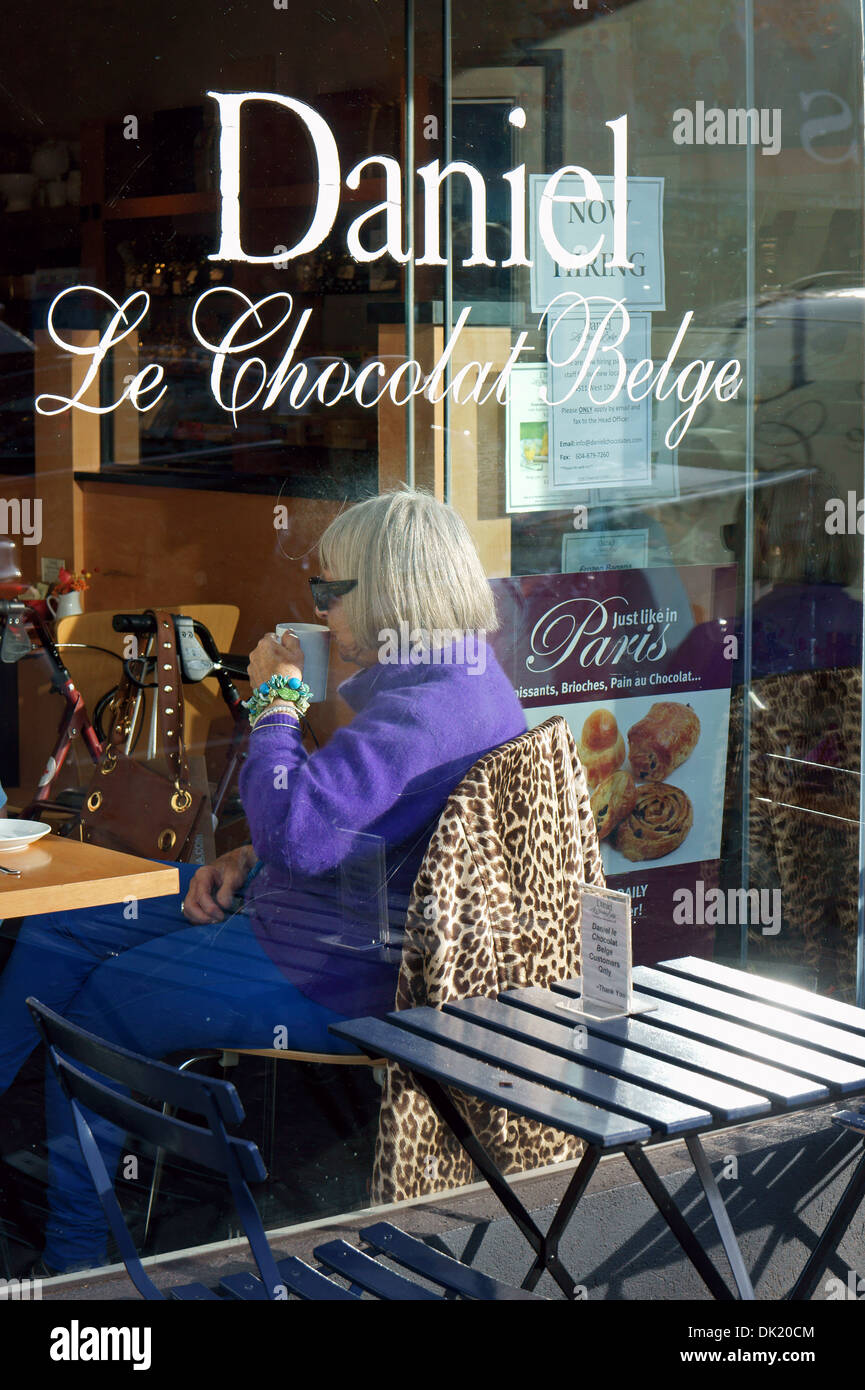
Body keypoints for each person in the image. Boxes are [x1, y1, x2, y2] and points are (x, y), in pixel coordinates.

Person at [0, 487, 527, 1274]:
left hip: (334, 970)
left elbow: (302, 834)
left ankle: (75, 1265)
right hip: (306, 911)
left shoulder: (423, 709)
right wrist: (248, 857)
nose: (316, 607)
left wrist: (277, 701)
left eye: (330, 591)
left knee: (90, 1019)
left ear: (386, 592)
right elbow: (352, 826)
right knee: (61, 922)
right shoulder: (458, 678)